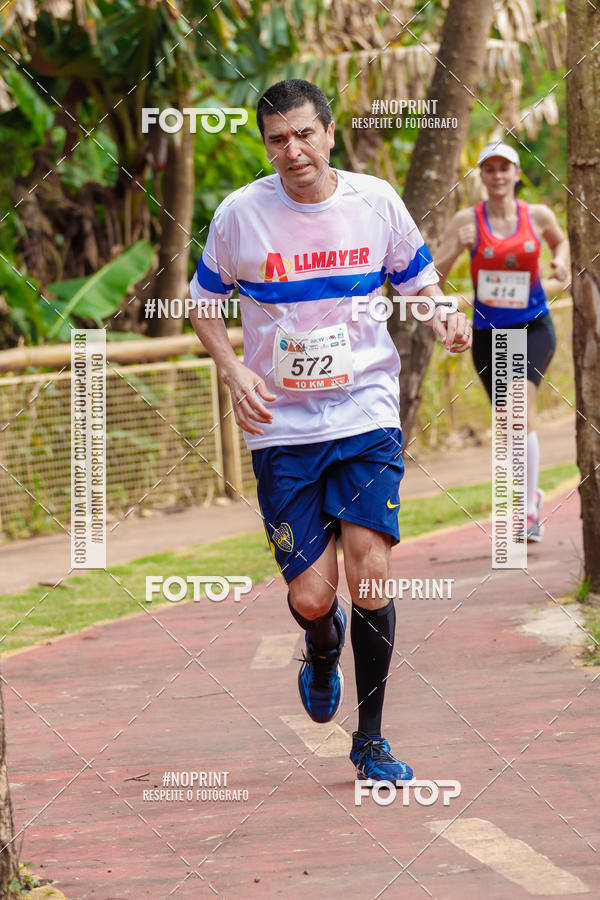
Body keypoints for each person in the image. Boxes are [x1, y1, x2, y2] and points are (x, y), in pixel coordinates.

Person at [189, 79, 471, 782]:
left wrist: (444, 316)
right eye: (278, 139)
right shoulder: (239, 215)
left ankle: (370, 740)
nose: (293, 151)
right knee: (314, 595)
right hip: (280, 425)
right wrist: (233, 369)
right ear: (267, 146)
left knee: (369, 569)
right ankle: (321, 645)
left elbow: (418, 281)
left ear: (329, 132)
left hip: (365, 412)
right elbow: (202, 304)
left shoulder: (374, 201)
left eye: (304, 134)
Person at [435, 141, 569, 541]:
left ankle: (527, 512)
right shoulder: (466, 222)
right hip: (488, 334)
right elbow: (432, 276)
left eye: (504, 169)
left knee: (519, 412)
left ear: (515, 173)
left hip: (533, 327)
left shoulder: (538, 215)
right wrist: (442, 310)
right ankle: (532, 495)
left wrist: (559, 259)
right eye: (489, 169)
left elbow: (559, 241)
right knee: (509, 423)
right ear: (482, 175)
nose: (497, 176)